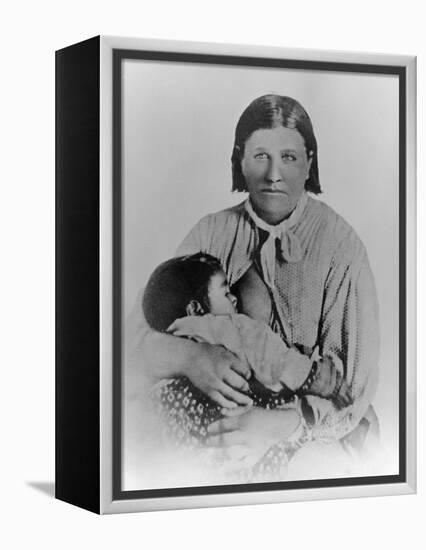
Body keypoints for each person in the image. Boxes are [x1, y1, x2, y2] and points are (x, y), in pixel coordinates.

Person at [126, 94, 380, 478]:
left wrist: (281, 424)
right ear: (240, 160)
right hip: (218, 421)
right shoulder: (212, 231)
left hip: (311, 435)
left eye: (289, 157)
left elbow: (354, 389)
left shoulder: (342, 247)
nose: (273, 174)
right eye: (260, 156)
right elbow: (135, 342)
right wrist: (191, 358)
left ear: (310, 161)